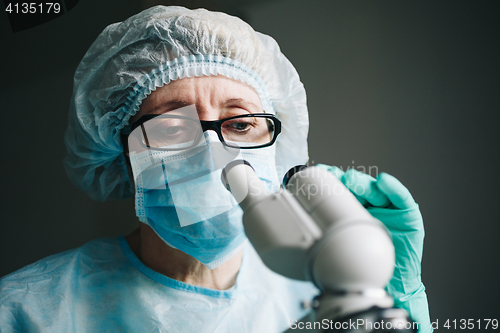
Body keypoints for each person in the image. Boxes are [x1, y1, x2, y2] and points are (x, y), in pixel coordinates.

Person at [0, 6, 432, 332]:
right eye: (170, 127)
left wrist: (393, 303)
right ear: (122, 156)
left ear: (275, 144)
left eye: (241, 123)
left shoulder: (324, 284)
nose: (213, 151)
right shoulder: (29, 312)